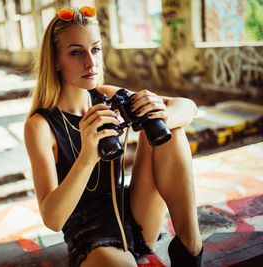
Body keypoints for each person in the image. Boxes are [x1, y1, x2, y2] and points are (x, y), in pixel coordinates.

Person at [24, 6, 203, 267]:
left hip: (134, 212)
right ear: (55, 61)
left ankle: (190, 248)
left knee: (166, 127)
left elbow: (188, 106)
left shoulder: (107, 96)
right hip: (90, 232)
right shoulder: (40, 126)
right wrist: (87, 156)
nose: (90, 61)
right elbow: (53, 219)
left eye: (95, 49)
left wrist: (157, 114)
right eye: (76, 52)